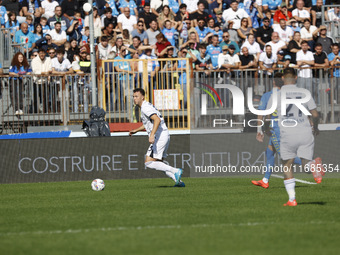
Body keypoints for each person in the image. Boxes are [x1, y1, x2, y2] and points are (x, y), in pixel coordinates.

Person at [264, 68, 324, 206]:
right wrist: (316, 127)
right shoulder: (305, 93)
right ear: (296, 78)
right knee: (305, 165)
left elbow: (268, 117)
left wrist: (267, 129)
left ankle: (292, 199)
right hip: (305, 132)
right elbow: (315, 115)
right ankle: (313, 165)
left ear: (283, 79)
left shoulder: (276, 95)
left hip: (288, 133)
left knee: (287, 164)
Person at [129, 88, 184, 187]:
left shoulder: (145, 107)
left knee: (149, 163)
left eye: (136, 96)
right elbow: (149, 123)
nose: (134, 99)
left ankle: (175, 171)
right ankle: (178, 181)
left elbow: (157, 120)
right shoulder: (145, 106)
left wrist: (152, 135)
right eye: (133, 96)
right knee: (159, 163)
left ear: (142, 97)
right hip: (164, 134)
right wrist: (136, 130)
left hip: (159, 136)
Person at [31, 48, 52, 113]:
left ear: (45, 53)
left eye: (43, 53)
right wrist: (44, 73)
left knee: (45, 99)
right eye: (40, 53)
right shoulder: (34, 60)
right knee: (36, 99)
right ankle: (36, 114)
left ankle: (45, 114)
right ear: (38, 54)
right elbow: (35, 71)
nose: (42, 54)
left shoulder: (48, 59)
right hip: (36, 82)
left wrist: (43, 73)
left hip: (45, 82)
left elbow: (50, 69)